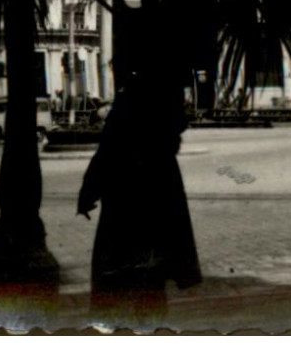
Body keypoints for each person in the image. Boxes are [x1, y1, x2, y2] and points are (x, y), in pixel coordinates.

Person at [78, 83, 203, 324]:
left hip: (125, 202)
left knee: (122, 273)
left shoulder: (127, 107)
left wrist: (88, 193)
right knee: (150, 274)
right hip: (153, 199)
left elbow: (105, 154)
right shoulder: (161, 106)